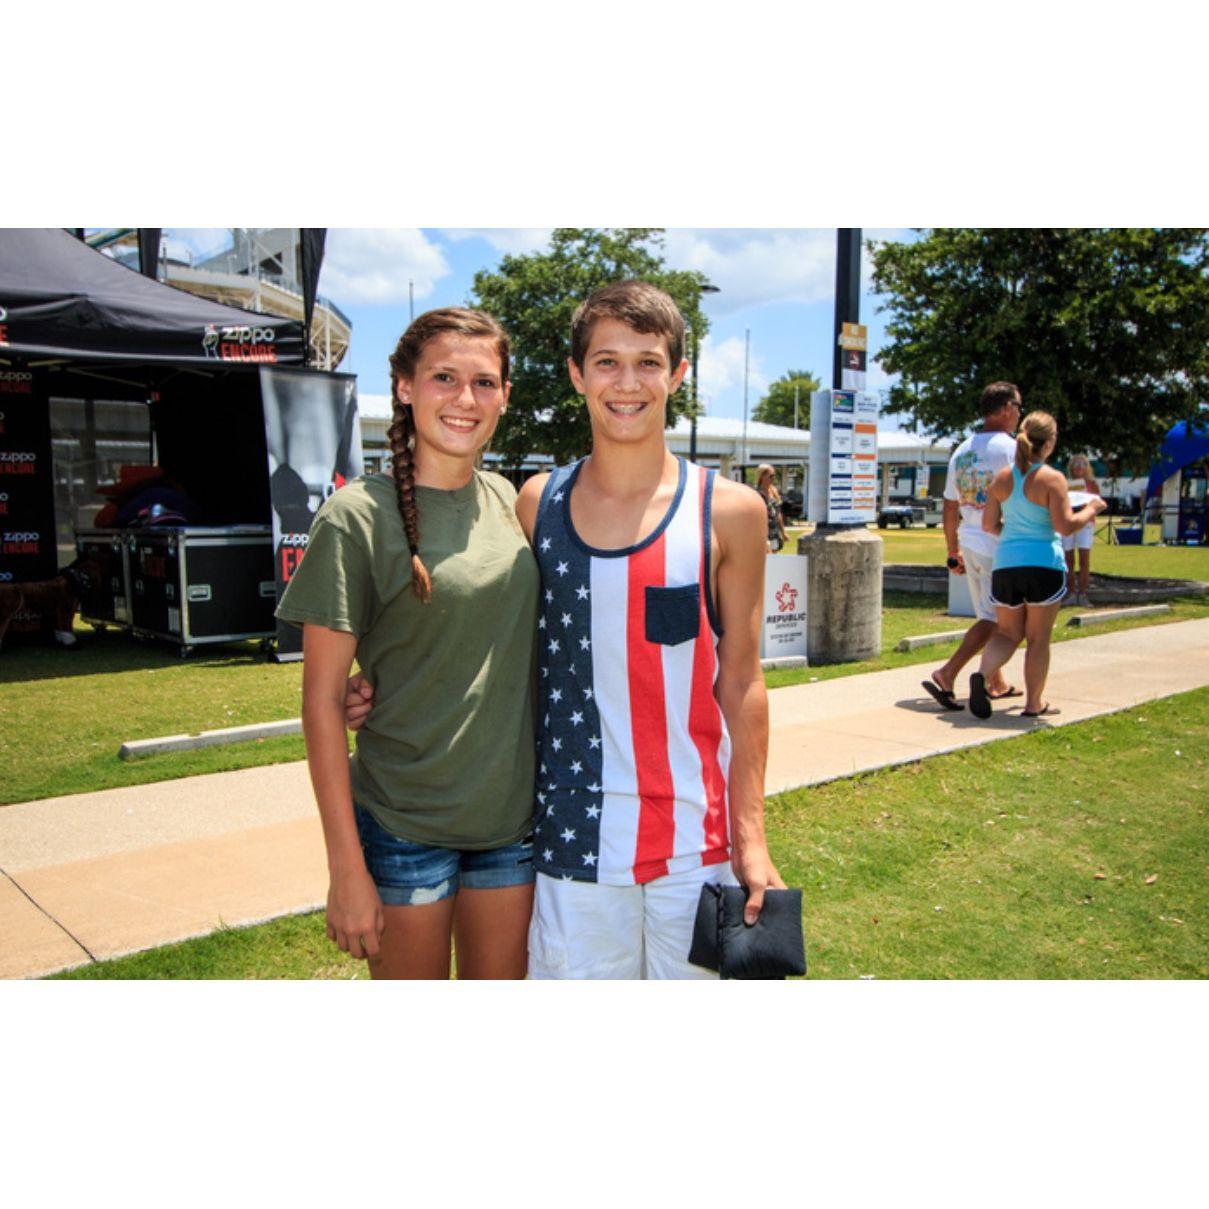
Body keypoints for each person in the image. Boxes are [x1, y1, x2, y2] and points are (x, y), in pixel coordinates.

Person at [513, 280, 785, 979]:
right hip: (573, 844)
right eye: (606, 361)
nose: (626, 382)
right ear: (576, 374)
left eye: (647, 361)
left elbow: (744, 679)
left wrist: (750, 835)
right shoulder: (537, 503)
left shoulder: (730, 510)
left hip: (697, 843)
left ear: (678, 375)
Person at [276, 308, 540, 979]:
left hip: (508, 828)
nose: (464, 398)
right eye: (443, 377)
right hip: (402, 827)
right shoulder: (355, 516)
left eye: (484, 382)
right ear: (403, 387)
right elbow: (321, 704)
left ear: (506, 394)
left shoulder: (511, 501)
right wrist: (346, 870)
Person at [969, 411, 1107, 720]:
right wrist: (1092, 508)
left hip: (1006, 565)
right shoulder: (1052, 478)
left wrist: (1016, 536)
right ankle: (1034, 704)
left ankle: (982, 674)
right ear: (1049, 443)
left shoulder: (1002, 478)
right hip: (1043, 563)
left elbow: (989, 525)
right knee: (1038, 638)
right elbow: (1066, 525)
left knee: (1006, 633)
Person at [922, 381, 1022, 711]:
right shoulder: (1010, 450)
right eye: (1018, 407)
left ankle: (997, 680)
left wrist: (953, 549)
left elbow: (949, 506)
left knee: (988, 614)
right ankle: (948, 673)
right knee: (998, 621)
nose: (1019, 414)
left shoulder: (961, 451)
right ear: (1006, 408)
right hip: (999, 544)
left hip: (970, 540)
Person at [1062, 453, 1101, 607]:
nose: (1079, 467)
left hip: (1086, 523)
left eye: (1082, 464)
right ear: (1071, 467)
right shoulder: (1066, 483)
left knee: (1084, 559)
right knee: (1068, 559)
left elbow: (1097, 504)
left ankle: (1083, 593)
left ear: (1087, 467)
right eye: (1076, 464)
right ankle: (1071, 592)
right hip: (1070, 521)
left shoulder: (1092, 484)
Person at [756, 463, 788, 553]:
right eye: (771, 476)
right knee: (766, 556)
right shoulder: (757, 494)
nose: (773, 478)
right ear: (762, 476)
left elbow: (778, 514)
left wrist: (783, 532)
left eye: (774, 476)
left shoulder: (774, 492)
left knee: (774, 556)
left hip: (774, 532)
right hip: (763, 532)